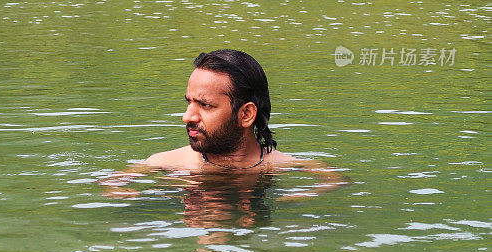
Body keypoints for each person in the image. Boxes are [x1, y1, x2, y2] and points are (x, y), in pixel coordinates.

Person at [101, 50, 345, 187]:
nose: (187, 117)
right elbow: (110, 185)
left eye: (205, 105)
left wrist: (308, 195)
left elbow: (335, 180)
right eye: (189, 102)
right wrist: (120, 194)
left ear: (246, 114)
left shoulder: (277, 165)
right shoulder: (168, 163)